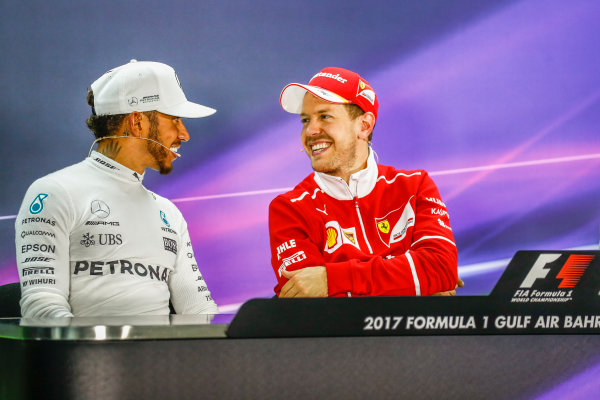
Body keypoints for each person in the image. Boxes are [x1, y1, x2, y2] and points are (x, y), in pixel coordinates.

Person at [15, 60, 219, 317]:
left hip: (165, 355)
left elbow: (199, 310)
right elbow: (41, 306)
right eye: (175, 120)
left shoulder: (168, 213)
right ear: (137, 122)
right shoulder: (53, 192)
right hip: (90, 356)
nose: (184, 134)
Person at [269, 67, 460, 297]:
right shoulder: (289, 208)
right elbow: (310, 308)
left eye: (325, 116)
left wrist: (330, 279)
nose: (310, 130)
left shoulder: (414, 186)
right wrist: (416, 284)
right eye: (305, 120)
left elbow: (440, 268)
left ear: (364, 126)